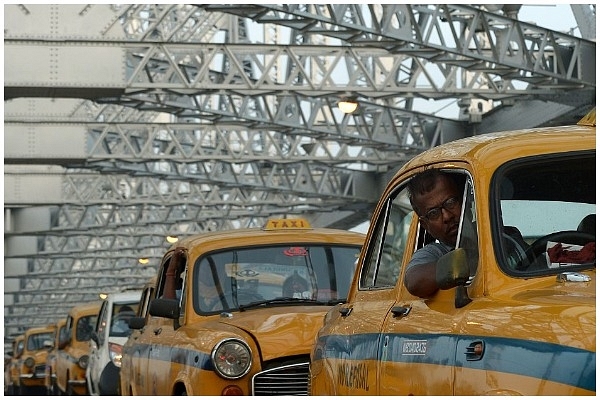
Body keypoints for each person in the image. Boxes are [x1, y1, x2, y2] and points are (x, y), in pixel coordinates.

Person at [404, 169, 463, 298]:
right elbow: (415, 281)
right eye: (434, 213)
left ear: (464, 201)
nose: (447, 216)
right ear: (425, 225)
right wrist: (464, 261)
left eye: (450, 203)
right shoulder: (434, 254)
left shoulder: (505, 236)